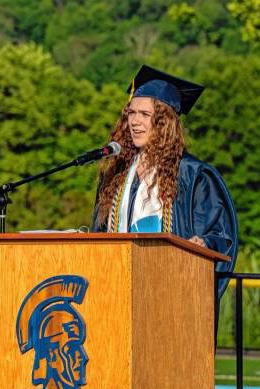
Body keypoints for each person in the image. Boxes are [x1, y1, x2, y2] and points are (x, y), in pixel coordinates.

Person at [92, 65, 238, 302]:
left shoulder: (193, 175)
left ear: (164, 122)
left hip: (169, 292)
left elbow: (221, 235)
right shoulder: (116, 172)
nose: (135, 122)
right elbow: (100, 234)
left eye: (145, 115)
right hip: (118, 287)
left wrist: (204, 242)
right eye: (131, 113)